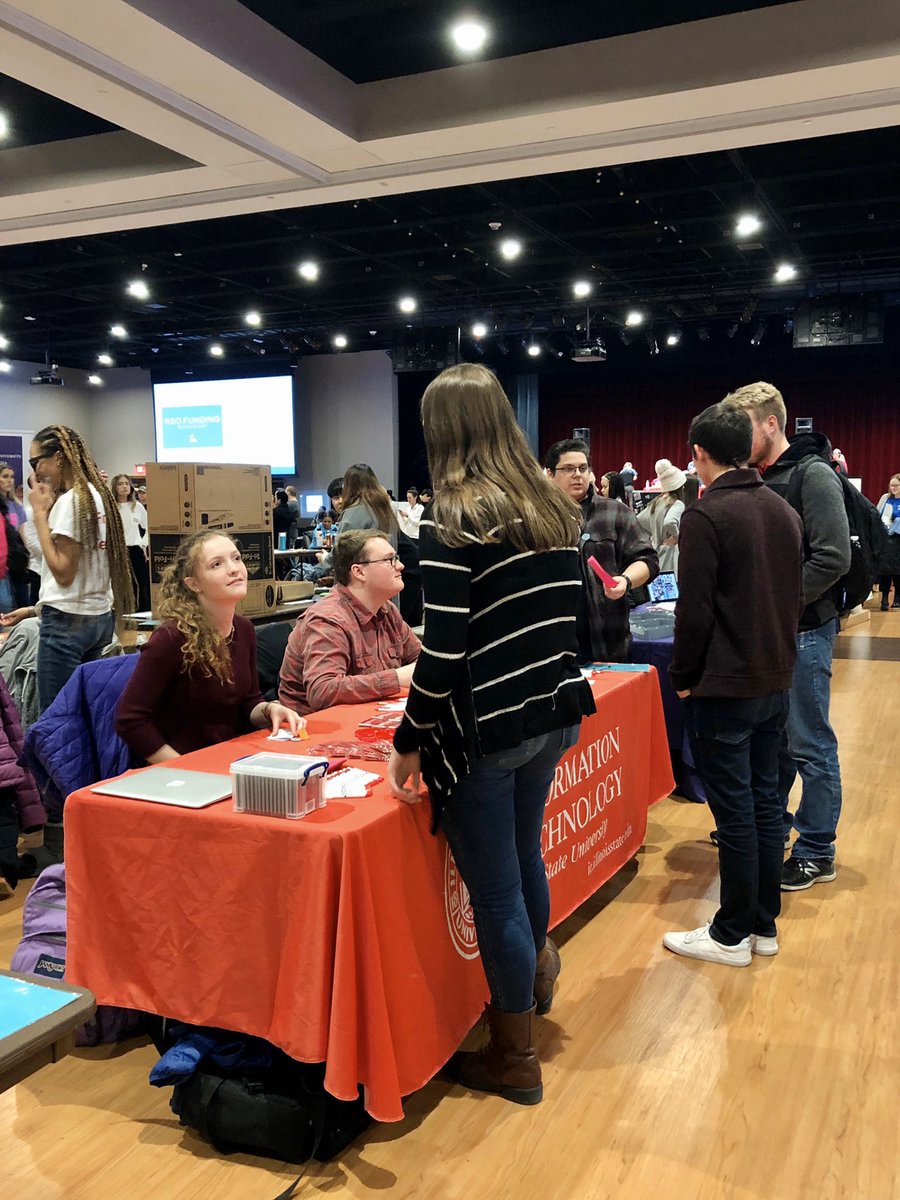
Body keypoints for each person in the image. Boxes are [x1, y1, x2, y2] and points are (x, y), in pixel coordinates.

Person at [389, 364, 595, 1106]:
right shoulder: (550, 504)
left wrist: (409, 738)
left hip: (491, 727)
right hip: (552, 712)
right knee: (523, 860)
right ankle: (530, 993)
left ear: (441, 431)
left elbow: (442, 649)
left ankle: (514, 1055)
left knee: (498, 893)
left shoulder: (454, 517)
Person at [664, 403, 804, 966]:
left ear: (699, 454)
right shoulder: (780, 509)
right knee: (766, 803)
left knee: (737, 811)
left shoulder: (706, 516)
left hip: (724, 687)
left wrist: (682, 676)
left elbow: (693, 613)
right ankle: (761, 926)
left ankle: (730, 934)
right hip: (774, 680)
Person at [725, 382, 851, 890]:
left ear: (771, 423)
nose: (737, 437)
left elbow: (834, 557)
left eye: (745, 426)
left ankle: (817, 849)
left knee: (809, 742)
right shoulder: (765, 476)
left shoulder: (813, 473)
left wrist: (776, 603)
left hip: (804, 633)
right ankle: (772, 828)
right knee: (776, 741)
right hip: (776, 634)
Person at [116, 531, 303, 760]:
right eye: (216, 564)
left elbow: (248, 700)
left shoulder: (243, 629)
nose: (234, 569)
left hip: (227, 757)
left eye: (236, 558)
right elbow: (130, 720)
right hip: (180, 770)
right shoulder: (171, 638)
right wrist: (181, 766)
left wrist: (269, 709)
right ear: (194, 584)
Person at [0, 425, 134, 713]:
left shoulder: (72, 501)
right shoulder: (94, 497)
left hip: (67, 624)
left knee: (57, 718)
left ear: (59, 457)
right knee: (84, 713)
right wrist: (33, 610)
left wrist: (38, 514)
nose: (35, 472)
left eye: (37, 462)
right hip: (96, 618)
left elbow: (63, 572)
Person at [278, 529, 420, 715]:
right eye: (389, 560)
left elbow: (421, 661)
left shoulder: (387, 610)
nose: (400, 565)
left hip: (368, 718)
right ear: (359, 571)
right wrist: (396, 678)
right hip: (316, 730)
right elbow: (323, 691)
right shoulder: (328, 619)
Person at [546, 438, 658, 663]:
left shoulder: (615, 511)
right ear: (549, 474)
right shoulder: (538, 518)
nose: (578, 474)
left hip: (608, 643)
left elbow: (647, 559)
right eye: (568, 469)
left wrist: (625, 580)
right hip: (551, 646)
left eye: (583, 468)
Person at [637, 459, 686, 577]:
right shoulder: (677, 504)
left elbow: (639, 519)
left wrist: (654, 535)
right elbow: (669, 522)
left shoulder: (656, 502)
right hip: (670, 555)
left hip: (655, 553)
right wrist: (678, 536)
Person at [111, 473, 150, 612]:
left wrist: (143, 545)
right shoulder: (112, 507)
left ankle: (142, 612)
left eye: (126, 484)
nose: (124, 487)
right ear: (115, 487)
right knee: (122, 584)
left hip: (136, 550)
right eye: (120, 484)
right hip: (119, 551)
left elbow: (148, 528)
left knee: (140, 583)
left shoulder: (137, 506)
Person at [0, 462, 34, 608]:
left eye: (12, 477)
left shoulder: (16, 505)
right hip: (2, 560)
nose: (10, 480)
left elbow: (22, 534)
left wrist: (27, 557)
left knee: (21, 601)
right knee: (5, 604)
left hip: (16, 559)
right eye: (5, 476)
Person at [876, 472, 900, 609]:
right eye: (891, 485)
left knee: (898, 570)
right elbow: (877, 513)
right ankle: (884, 597)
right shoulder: (885, 498)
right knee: (884, 570)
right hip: (886, 538)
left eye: (896, 485)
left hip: (899, 539)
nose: (893, 488)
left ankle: (897, 597)